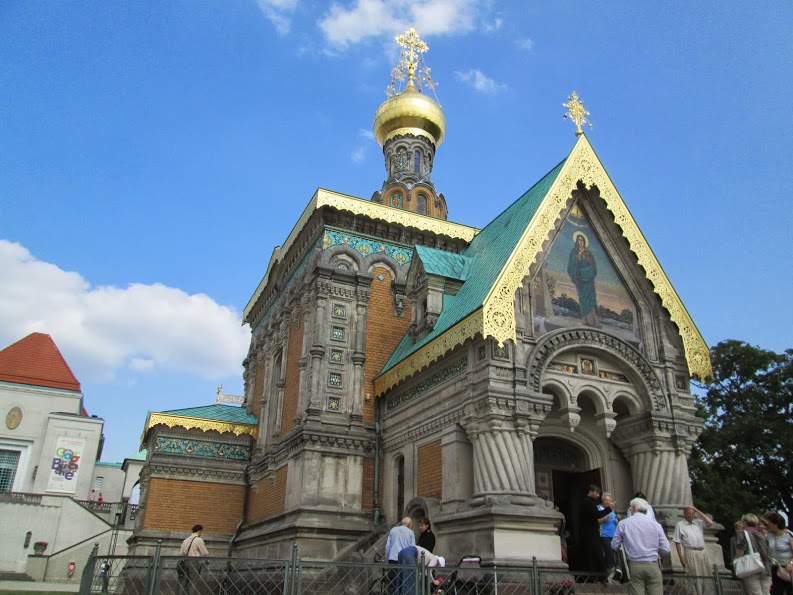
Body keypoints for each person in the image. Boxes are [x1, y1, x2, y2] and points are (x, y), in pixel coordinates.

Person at [612, 497, 671, 595]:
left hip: (634, 565)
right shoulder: (656, 525)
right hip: (653, 564)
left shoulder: (624, 524)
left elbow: (614, 545)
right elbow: (666, 549)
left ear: (634, 508)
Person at [674, 505, 714, 595]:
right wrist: (681, 557)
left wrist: (697, 510)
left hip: (701, 552)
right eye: (689, 513)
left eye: (693, 513)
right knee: (694, 574)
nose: (691, 515)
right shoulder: (680, 525)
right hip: (690, 551)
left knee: (705, 573)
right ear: (685, 514)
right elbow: (677, 542)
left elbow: (710, 522)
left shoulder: (698, 523)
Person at [579, 484, 613, 577]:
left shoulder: (589, 502)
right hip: (590, 533)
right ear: (590, 491)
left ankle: (598, 576)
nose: (598, 495)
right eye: (596, 493)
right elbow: (596, 515)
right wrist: (609, 509)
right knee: (595, 554)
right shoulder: (587, 502)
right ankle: (598, 576)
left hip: (591, 532)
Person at [567, 232, 599, 327]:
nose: (581, 242)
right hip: (581, 280)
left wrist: (590, 271)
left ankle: (593, 321)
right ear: (577, 241)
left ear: (584, 241)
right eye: (579, 240)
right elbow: (572, 266)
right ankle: (586, 320)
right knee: (583, 298)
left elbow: (593, 266)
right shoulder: (574, 252)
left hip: (589, 280)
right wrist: (578, 275)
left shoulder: (588, 252)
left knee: (591, 299)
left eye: (582, 240)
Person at [735, 513, 772, 595]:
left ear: (745, 522)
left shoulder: (742, 533)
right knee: (766, 593)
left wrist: (736, 561)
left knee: (756, 593)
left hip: (752, 568)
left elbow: (741, 550)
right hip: (766, 567)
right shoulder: (762, 534)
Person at [764, 511, 793, 595]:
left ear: (775, 524)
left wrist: (791, 563)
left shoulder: (788, 535)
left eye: (769, 523)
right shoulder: (769, 535)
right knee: (775, 591)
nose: (768, 526)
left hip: (787, 568)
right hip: (774, 567)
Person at [385, 517, 415, 595]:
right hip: (405, 560)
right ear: (409, 525)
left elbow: (387, 547)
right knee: (404, 581)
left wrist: (387, 559)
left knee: (393, 581)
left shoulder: (393, 530)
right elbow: (413, 548)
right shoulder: (411, 532)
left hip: (393, 558)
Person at [179, 524, 210, 595]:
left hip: (185, 561)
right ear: (199, 531)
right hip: (193, 562)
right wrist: (207, 561)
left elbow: (181, 553)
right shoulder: (198, 540)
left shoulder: (185, 540)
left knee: (184, 581)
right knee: (193, 581)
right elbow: (205, 552)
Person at [599, 493, 619, 579]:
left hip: (614, 535)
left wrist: (617, 520)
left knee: (615, 554)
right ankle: (609, 572)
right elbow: (597, 520)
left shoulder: (612, 510)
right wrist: (605, 518)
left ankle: (615, 573)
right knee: (608, 553)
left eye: (609, 500)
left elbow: (615, 521)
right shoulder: (599, 508)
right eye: (606, 500)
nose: (608, 502)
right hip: (604, 534)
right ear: (602, 501)